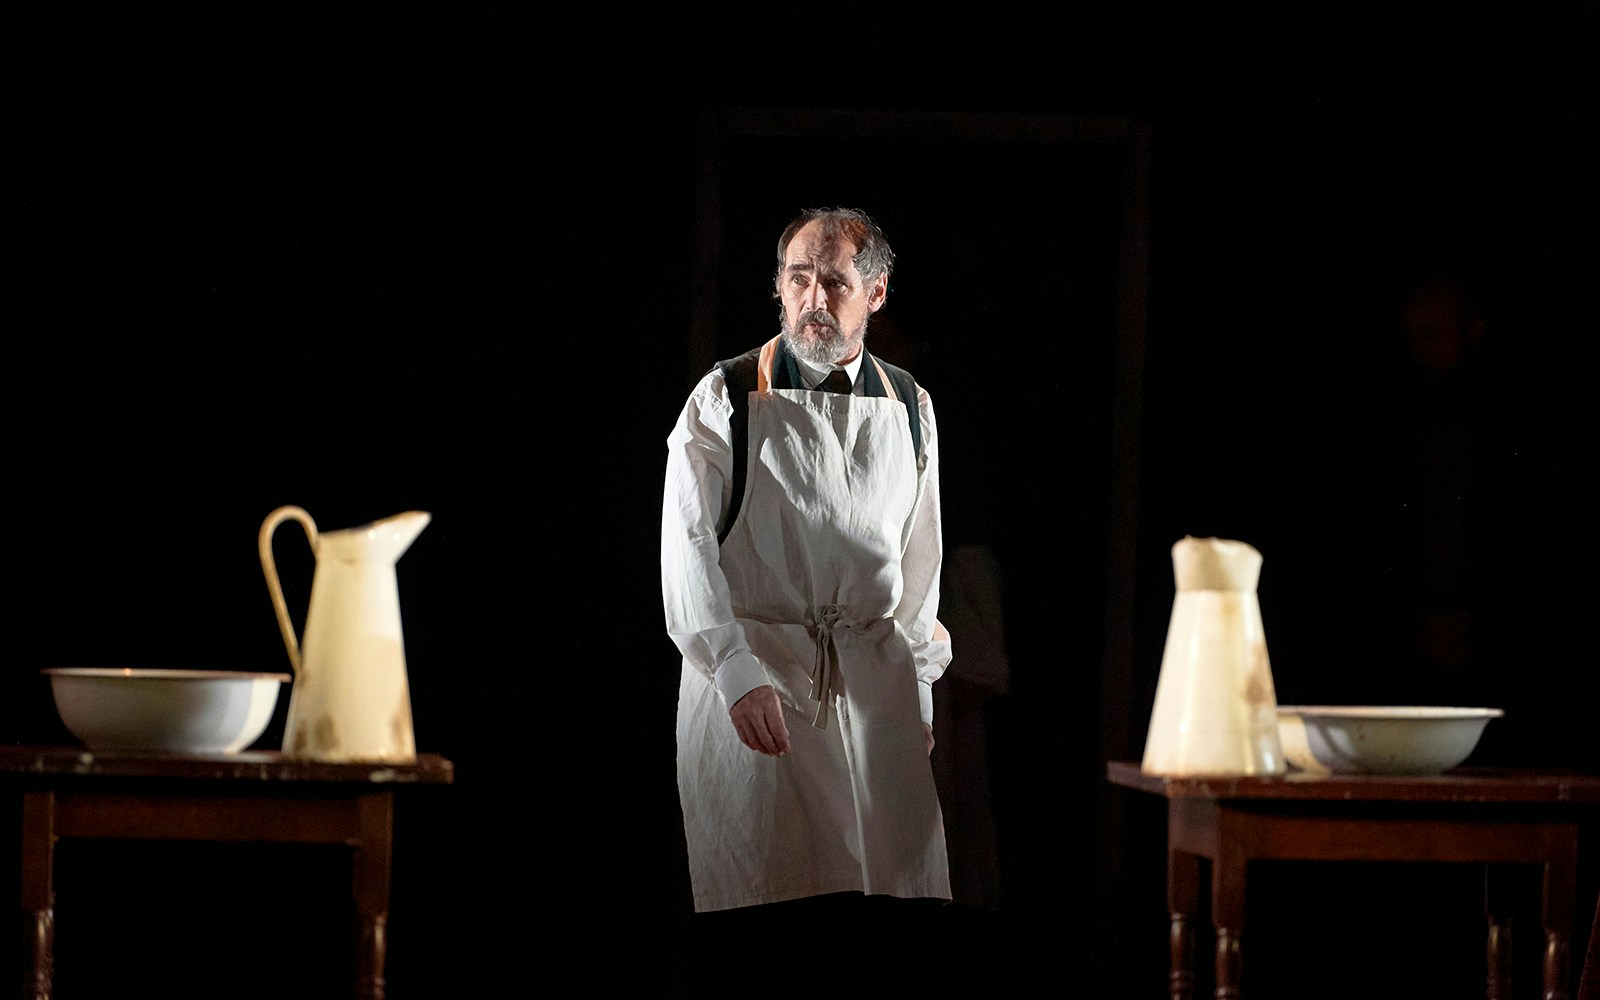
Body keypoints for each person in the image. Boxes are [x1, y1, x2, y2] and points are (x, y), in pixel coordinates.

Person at [661, 207, 953, 990]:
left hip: (871, 683)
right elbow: (686, 545)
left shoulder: (909, 406)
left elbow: (919, 560)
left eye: (834, 281)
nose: (813, 299)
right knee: (765, 911)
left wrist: (917, 691)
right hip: (764, 678)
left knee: (868, 927)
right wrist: (733, 668)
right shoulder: (725, 395)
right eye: (798, 278)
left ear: (877, 294)